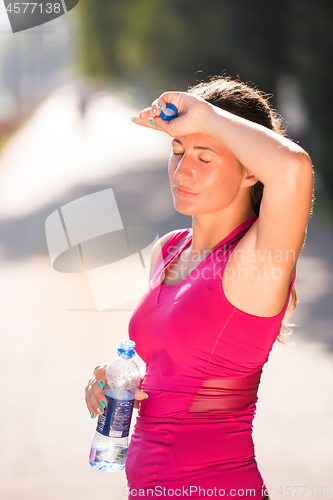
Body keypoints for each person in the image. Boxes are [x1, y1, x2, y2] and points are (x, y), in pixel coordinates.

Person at [85, 76, 314, 500]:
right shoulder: (168, 250)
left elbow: (293, 169)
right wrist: (117, 385)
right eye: (177, 151)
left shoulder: (255, 263)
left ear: (251, 171)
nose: (182, 170)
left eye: (205, 157)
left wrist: (203, 113)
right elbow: (176, 372)